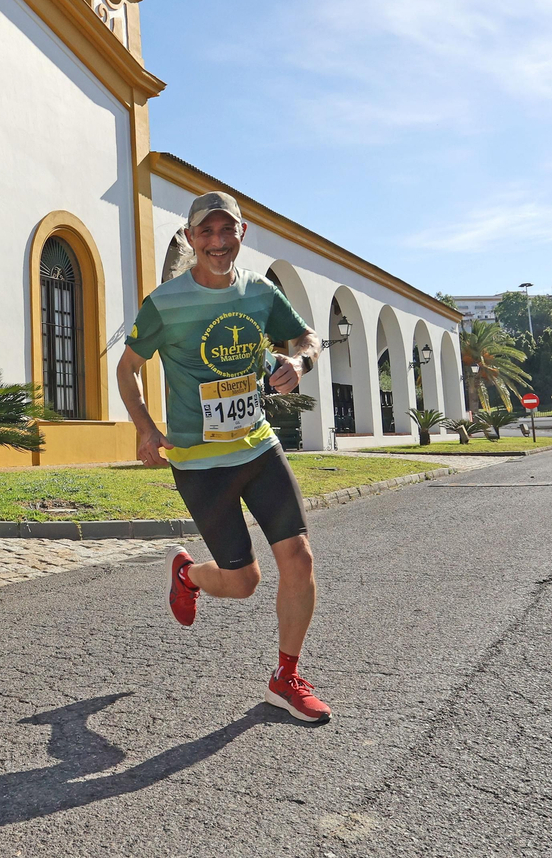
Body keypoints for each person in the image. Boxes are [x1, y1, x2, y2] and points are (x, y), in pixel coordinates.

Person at [116, 191, 331, 723]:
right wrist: (145, 428)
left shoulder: (260, 292)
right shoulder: (164, 303)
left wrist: (297, 361)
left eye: (226, 231)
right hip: (199, 462)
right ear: (190, 239)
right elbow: (127, 368)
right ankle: (188, 576)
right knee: (243, 583)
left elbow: (308, 338)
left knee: (299, 559)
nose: (217, 242)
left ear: (241, 233)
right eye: (205, 233)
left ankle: (287, 674)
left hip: (258, 445)